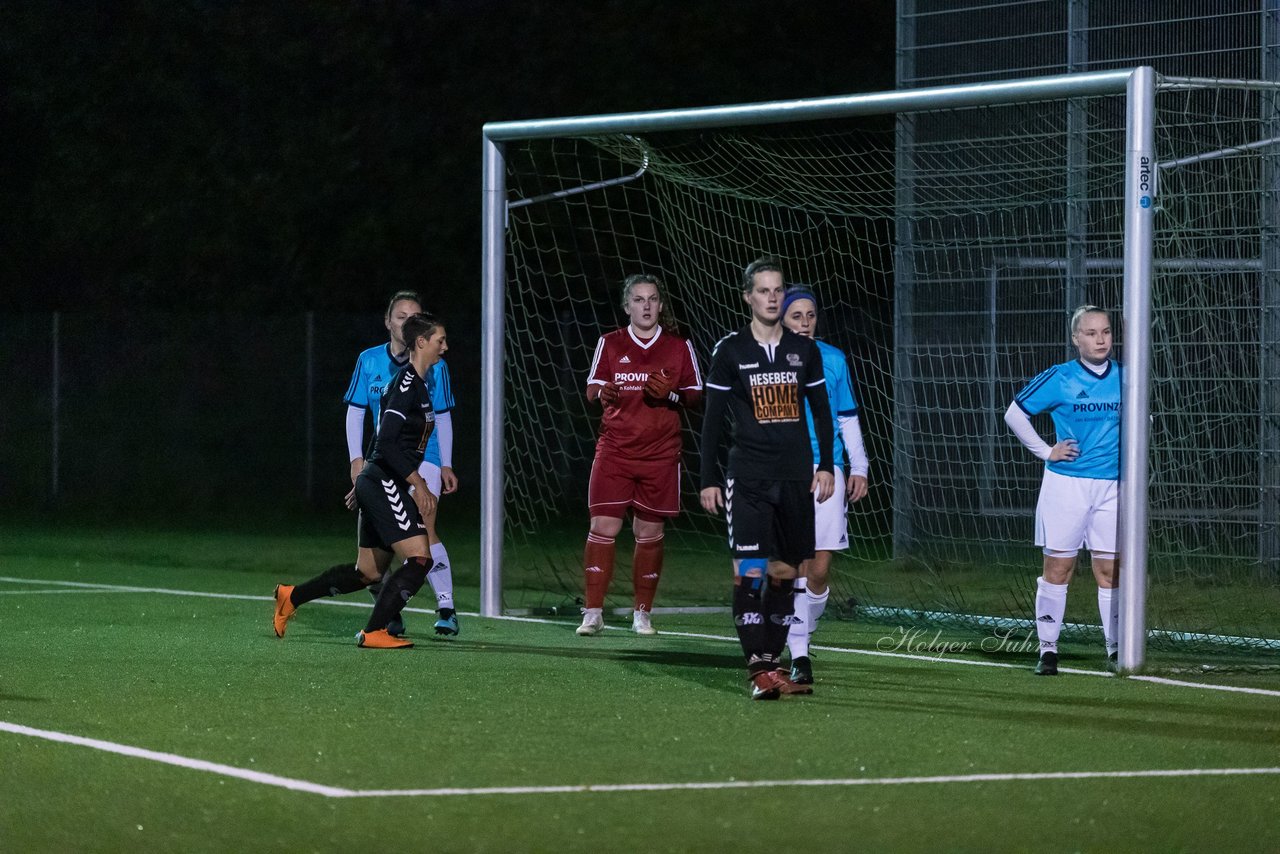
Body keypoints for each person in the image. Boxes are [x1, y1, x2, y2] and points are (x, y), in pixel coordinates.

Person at [699, 257, 836, 699]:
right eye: (763, 290)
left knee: (785, 572)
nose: (772, 298)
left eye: (778, 290)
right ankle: (758, 667)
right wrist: (708, 479)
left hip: (796, 477)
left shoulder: (805, 351)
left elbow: (820, 411)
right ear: (748, 297)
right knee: (751, 572)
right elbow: (713, 421)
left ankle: (773, 666)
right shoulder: (732, 351)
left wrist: (826, 465)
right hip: (750, 478)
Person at [273, 313, 449, 649]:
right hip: (386, 481)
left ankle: (291, 596)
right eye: (440, 339)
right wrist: (419, 484)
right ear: (421, 342)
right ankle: (374, 632)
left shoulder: (417, 384)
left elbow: (381, 437)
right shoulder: (407, 385)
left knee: (368, 573)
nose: (445, 346)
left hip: (378, 481)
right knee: (420, 558)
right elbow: (386, 444)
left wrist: (364, 482)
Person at [578, 274, 703, 637]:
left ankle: (642, 614)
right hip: (615, 450)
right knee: (603, 528)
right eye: (638, 299)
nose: (646, 306)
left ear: (661, 305)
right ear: (626, 305)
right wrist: (604, 394)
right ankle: (593, 612)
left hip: (661, 455)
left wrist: (673, 396)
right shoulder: (610, 343)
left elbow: (695, 395)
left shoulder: (679, 347)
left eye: (652, 299)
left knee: (649, 533)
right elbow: (592, 387)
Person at [1005, 305, 1121, 675]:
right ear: (1076, 339)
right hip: (1067, 486)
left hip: (1112, 488)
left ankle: (1117, 650)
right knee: (1059, 568)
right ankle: (1048, 651)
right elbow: (1014, 414)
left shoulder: (1127, 377)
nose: (1100, 339)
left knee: (1110, 570)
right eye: (1091, 333)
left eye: (1105, 331)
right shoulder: (1060, 377)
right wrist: (1046, 450)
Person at [343, 291, 459, 637]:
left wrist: (445, 464)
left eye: (415, 316)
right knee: (380, 541)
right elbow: (355, 411)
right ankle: (388, 612)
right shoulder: (370, 360)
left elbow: (443, 416)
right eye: (401, 316)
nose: (407, 321)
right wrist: (356, 459)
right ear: (388, 322)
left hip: (425, 457)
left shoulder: (436, 364)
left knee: (423, 527)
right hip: (384, 457)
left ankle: (446, 606)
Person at [778, 288, 870, 685]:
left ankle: (803, 634)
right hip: (786, 470)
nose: (804, 321)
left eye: (810, 314)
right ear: (781, 318)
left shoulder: (834, 359)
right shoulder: (771, 359)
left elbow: (847, 418)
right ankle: (799, 654)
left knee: (818, 571)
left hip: (827, 471)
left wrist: (860, 467)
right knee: (794, 565)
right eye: (796, 315)